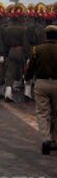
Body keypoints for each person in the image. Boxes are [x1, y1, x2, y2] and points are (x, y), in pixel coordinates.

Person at [25, 25, 57, 155]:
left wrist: (27, 78)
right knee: (56, 113)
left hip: (41, 83)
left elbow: (31, 67)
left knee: (43, 113)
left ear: (46, 36)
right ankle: (55, 139)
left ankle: (46, 139)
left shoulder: (37, 50)